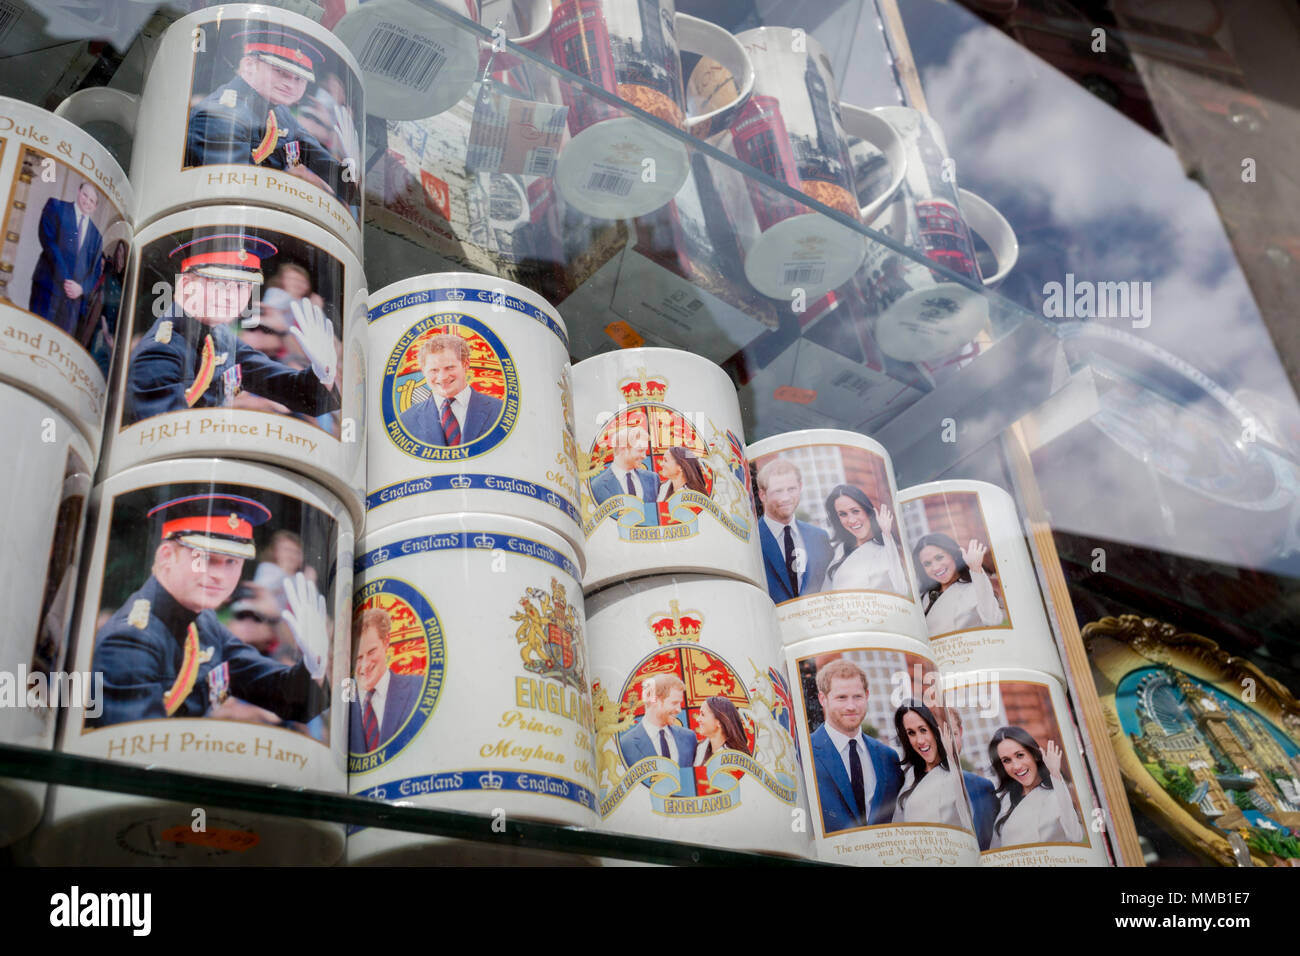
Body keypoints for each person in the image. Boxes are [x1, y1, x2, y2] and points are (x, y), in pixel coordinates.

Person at [87, 493, 331, 727]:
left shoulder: (204, 622)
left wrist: (314, 663)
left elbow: (284, 696)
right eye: (203, 558)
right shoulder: (130, 638)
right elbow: (137, 749)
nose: (219, 575)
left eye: (232, 562)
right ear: (166, 556)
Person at [124, 234, 340, 425]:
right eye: (219, 284)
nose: (230, 297)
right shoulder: (161, 352)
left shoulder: (219, 336)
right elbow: (167, 440)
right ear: (186, 287)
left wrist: (323, 372)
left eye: (240, 287)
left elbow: (287, 388)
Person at [185, 27, 359, 215]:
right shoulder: (221, 116)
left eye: (299, 78)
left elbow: (322, 163)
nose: (290, 84)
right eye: (280, 71)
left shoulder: (278, 112)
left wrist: (348, 169)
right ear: (249, 66)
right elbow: (236, 194)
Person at [809, 659, 902, 832]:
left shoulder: (888, 758)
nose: (851, 706)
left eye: (857, 697)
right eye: (841, 697)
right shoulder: (804, 753)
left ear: (866, 695)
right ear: (823, 699)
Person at [398, 332, 503, 446]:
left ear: (465, 364)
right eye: (434, 370)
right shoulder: (406, 421)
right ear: (423, 371)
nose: (442, 377)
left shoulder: (500, 410)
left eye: (449, 367)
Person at [988, 726, 1085, 848]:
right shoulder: (1007, 799)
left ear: (1033, 754)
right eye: (1007, 760)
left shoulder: (1055, 795)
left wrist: (1055, 774)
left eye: (1020, 755)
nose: (1016, 766)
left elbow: (1075, 836)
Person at [29, 182, 104, 336]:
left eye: (92, 201)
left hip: (72, 303)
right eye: (85, 195)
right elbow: (48, 242)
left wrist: (81, 288)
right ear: (78, 191)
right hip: (47, 289)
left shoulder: (97, 237)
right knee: (34, 335)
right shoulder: (56, 207)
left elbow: (95, 272)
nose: (87, 202)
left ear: (95, 207)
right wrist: (66, 278)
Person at [756, 457, 831, 603]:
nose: (786, 498)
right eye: (778, 491)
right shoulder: (751, 541)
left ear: (800, 487)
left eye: (791, 489)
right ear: (762, 495)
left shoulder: (820, 537)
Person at [349, 607, 423, 753]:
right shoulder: (343, 695)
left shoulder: (418, 687)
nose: (364, 665)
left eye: (371, 652)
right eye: (358, 657)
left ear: (386, 641)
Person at [892, 700, 973, 829]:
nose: (920, 741)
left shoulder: (952, 774)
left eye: (923, 730)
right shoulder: (909, 776)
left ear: (935, 730)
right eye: (911, 733)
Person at [911, 532, 1004, 636]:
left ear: (953, 555)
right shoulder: (925, 598)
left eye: (939, 558)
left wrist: (975, 569)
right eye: (927, 564)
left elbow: (993, 620)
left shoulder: (974, 588)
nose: (936, 567)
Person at [619, 673, 696, 797]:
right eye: (674, 703)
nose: (679, 709)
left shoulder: (689, 738)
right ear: (655, 701)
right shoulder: (625, 744)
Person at [823, 483, 908, 595]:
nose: (851, 520)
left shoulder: (888, 548)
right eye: (843, 514)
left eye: (855, 511)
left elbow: (902, 590)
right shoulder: (840, 550)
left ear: (867, 510)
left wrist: (886, 535)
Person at [946, 707, 998, 850]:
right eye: (941, 735)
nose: (948, 742)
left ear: (961, 733)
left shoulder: (984, 787)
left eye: (953, 734)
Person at [589, 423, 660, 525]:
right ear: (623, 449)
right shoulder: (597, 487)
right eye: (640, 450)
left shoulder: (652, 479)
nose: (644, 456)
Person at [693, 695, 750, 765]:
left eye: (703, 714)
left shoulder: (736, 761)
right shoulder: (699, 749)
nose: (697, 719)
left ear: (719, 722)